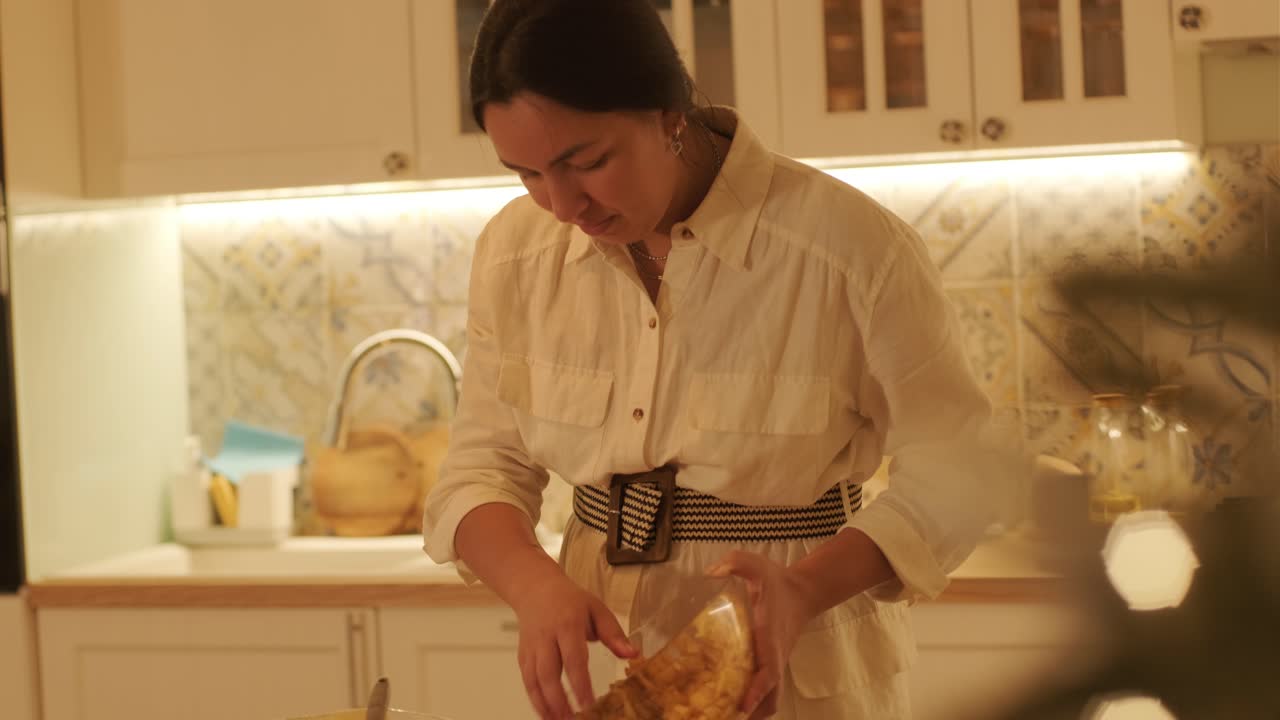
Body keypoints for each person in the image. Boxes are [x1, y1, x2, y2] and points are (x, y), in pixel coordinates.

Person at [423, 1, 996, 718]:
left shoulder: (852, 250)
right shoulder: (514, 254)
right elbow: (481, 468)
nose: (563, 204)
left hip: (803, 674)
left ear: (670, 114)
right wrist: (535, 585)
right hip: (610, 670)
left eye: (587, 162)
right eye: (527, 174)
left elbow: (963, 471)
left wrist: (803, 591)